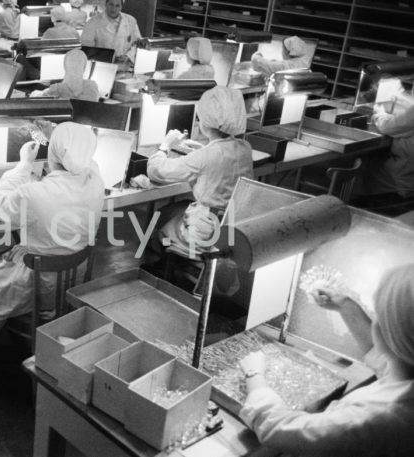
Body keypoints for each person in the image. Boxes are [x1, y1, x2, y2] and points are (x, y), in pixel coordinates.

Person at [0, 122, 105, 343]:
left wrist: (24, 164)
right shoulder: (96, 181)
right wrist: (57, 138)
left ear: (53, 153)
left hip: (37, 284)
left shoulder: (35, 193)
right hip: (74, 277)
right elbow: (86, 161)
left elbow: (0, 204)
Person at [239, 264, 414, 456]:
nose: (374, 320)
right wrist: (346, 305)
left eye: (378, 315)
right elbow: (382, 354)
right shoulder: (406, 372)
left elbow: (280, 429)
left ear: (392, 333)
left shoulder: (379, 416)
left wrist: (254, 376)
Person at [146, 86, 253, 258]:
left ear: (205, 122)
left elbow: (157, 171)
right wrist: (203, 149)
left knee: (161, 217)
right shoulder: (245, 148)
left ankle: (161, 260)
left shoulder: (204, 157)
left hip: (202, 235)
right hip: (231, 228)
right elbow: (221, 161)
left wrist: (164, 146)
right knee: (175, 209)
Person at [359, 103, 414, 197]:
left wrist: (378, 114)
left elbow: (389, 127)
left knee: (361, 169)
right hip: (407, 170)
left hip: (402, 178)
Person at [31, 49, 99, 101]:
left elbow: (36, 97)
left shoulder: (57, 89)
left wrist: (38, 92)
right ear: (84, 68)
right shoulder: (92, 86)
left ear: (65, 66)